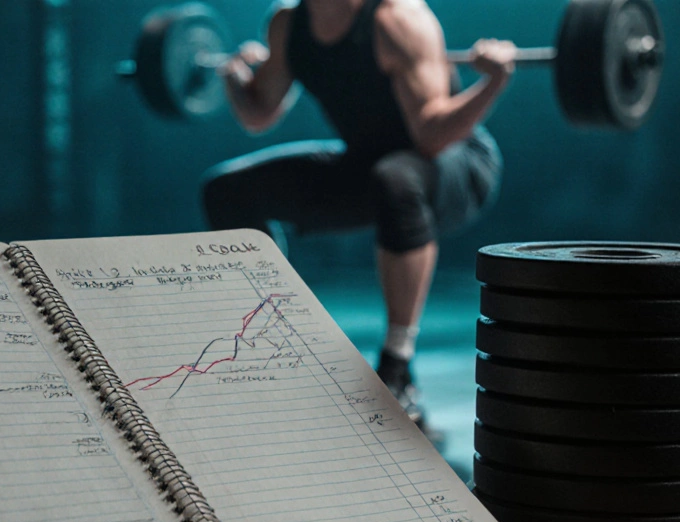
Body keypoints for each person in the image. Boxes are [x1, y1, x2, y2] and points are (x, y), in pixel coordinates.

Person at [201, 0, 516, 431]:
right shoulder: (288, 25)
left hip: (454, 163)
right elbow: (260, 113)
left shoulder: (397, 20)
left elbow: (428, 135)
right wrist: (237, 78)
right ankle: (275, 338)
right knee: (226, 192)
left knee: (397, 179)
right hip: (368, 165)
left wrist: (493, 82)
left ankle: (397, 366)